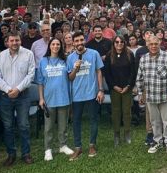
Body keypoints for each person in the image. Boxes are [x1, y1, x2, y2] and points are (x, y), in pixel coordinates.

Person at [0, 33, 37, 166]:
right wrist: (8, 90)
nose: (14, 43)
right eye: (11, 40)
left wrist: (18, 89)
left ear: (20, 41)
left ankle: (26, 153)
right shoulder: (0, 56)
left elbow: (31, 75)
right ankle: (11, 154)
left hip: (23, 95)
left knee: (24, 125)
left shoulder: (28, 54)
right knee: (8, 126)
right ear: (7, 42)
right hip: (5, 96)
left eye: (17, 40)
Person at [136, 34, 167, 154]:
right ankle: (157, 141)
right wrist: (140, 93)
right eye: (151, 44)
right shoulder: (143, 59)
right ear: (147, 45)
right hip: (150, 96)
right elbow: (139, 78)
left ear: (159, 44)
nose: (153, 46)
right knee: (154, 121)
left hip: (165, 95)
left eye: (156, 44)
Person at [66, 31, 105, 160]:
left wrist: (100, 90)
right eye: (76, 41)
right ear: (73, 43)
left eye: (81, 40)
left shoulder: (94, 54)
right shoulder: (70, 58)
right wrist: (75, 69)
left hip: (92, 93)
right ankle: (78, 147)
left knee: (93, 119)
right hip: (77, 95)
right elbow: (70, 78)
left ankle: (92, 145)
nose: (79, 43)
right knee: (76, 121)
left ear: (85, 40)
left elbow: (99, 72)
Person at [37, 37, 72, 161]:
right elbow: (40, 82)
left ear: (60, 46)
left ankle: (63, 145)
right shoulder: (43, 61)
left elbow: (70, 76)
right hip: (49, 98)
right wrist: (41, 98)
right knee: (48, 127)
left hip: (63, 96)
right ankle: (48, 149)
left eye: (58, 44)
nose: (55, 46)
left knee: (63, 125)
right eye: (53, 44)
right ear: (49, 46)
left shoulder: (65, 60)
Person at [104, 36, 137, 146]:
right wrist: (114, 86)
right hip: (115, 88)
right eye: (117, 42)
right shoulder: (109, 55)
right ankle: (116, 134)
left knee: (127, 111)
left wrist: (129, 85)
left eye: (121, 41)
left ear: (124, 43)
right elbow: (107, 73)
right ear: (113, 43)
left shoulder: (129, 54)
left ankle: (127, 133)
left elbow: (133, 72)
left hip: (127, 88)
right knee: (116, 112)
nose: (119, 44)